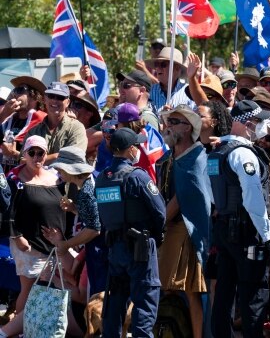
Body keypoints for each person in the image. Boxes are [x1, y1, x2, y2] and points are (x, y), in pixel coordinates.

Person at [208, 100, 270, 338]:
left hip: (225, 228)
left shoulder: (216, 153)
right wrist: (268, 236)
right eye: (258, 122)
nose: (260, 127)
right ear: (248, 123)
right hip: (247, 230)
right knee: (253, 294)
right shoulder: (243, 154)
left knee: (225, 292)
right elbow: (253, 198)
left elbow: (212, 195)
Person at [95, 128, 166, 338]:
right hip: (140, 248)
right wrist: (155, 234)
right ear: (131, 149)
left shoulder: (102, 178)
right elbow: (159, 211)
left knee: (115, 302)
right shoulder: (137, 177)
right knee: (145, 300)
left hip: (115, 248)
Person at [156, 105, 212, 338]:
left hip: (188, 230)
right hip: (168, 228)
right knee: (165, 288)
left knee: (191, 291)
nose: (168, 126)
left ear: (188, 127)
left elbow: (185, 197)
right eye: (168, 122)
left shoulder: (197, 157)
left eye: (175, 121)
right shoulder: (168, 157)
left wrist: (157, 221)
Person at [6, 136, 64, 314]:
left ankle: (37, 326)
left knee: (49, 288)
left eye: (41, 153)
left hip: (55, 243)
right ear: (24, 154)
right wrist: (16, 236)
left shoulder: (57, 176)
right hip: (28, 243)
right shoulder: (15, 178)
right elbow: (7, 210)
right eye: (32, 152)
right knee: (30, 287)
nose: (36, 157)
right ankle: (18, 327)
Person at [43, 146, 106, 297]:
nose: (59, 173)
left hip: (99, 252)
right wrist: (74, 208)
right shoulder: (89, 183)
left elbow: (94, 229)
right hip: (102, 250)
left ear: (71, 169)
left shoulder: (86, 192)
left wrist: (66, 245)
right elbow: (96, 217)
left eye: (60, 169)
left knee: (93, 297)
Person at [26, 81, 88, 165]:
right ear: (44, 99)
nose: (55, 100)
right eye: (51, 96)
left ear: (68, 102)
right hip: (37, 177)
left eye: (60, 97)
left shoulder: (76, 128)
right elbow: (23, 160)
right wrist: (58, 156)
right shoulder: (34, 130)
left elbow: (74, 157)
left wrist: (35, 160)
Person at [0, 77, 47, 172]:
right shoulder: (8, 119)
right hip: (4, 179)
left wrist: (14, 154)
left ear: (35, 96)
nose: (15, 94)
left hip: (25, 180)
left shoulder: (43, 121)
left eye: (20, 90)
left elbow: (45, 158)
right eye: (15, 90)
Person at [146, 47, 193, 111]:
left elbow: (195, 118)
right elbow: (146, 118)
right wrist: (162, 116)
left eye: (163, 64)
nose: (158, 68)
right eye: (156, 64)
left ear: (177, 68)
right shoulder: (149, 92)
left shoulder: (189, 92)